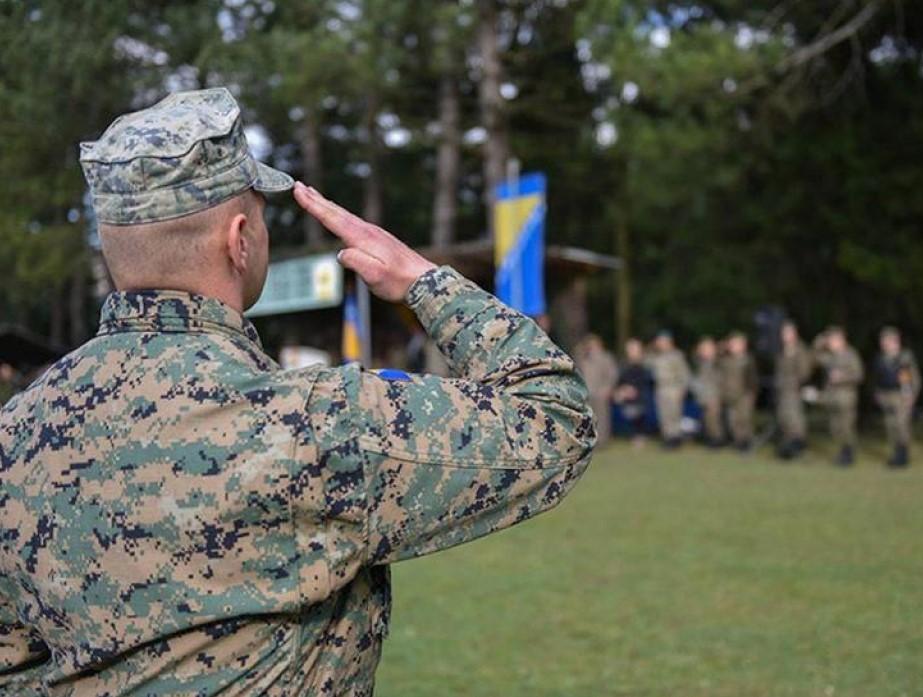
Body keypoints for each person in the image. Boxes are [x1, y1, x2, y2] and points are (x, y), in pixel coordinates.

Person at [0, 89, 595, 696]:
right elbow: (554, 418)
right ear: (239, 239)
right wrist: (424, 281)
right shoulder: (311, 419)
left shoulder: (13, 432)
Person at [813, 326, 864, 466]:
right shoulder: (829, 356)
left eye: (833, 340)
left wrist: (842, 377)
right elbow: (816, 358)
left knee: (847, 426)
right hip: (832, 396)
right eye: (829, 340)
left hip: (846, 396)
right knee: (834, 427)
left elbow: (859, 375)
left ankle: (849, 454)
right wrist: (818, 343)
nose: (830, 343)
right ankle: (843, 451)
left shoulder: (851, 354)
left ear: (841, 340)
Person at [873, 326, 921, 467]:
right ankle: (895, 453)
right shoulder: (881, 358)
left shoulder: (905, 357)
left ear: (895, 340)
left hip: (901, 395)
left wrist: (912, 394)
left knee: (901, 425)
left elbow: (914, 377)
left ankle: (903, 454)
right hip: (886, 395)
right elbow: (877, 379)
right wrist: (878, 394)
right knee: (890, 426)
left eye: (888, 340)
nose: (885, 343)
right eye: (883, 340)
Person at [774, 321, 813, 459]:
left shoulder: (800, 349)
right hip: (782, 389)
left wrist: (794, 381)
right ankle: (788, 446)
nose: (785, 335)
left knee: (794, 418)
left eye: (788, 332)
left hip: (793, 390)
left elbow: (805, 372)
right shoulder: (782, 350)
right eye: (783, 333)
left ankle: (798, 444)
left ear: (795, 334)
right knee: (783, 417)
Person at [646, 330, 691, 448]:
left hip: (673, 387)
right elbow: (646, 363)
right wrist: (650, 348)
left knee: (674, 414)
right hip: (660, 388)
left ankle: (675, 438)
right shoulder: (656, 356)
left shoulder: (676, 355)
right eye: (658, 341)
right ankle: (667, 437)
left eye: (662, 341)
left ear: (669, 342)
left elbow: (684, 374)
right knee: (663, 415)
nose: (660, 343)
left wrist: (682, 389)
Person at [575, 333, 619, 447]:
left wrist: (607, 389)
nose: (591, 347)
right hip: (586, 393)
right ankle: (589, 439)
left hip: (600, 392)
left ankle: (602, 440)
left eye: (594, 344)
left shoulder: (606, 357)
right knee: (588, 417)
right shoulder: (583, 358)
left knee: (602, 417)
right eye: (589, 345)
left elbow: (612, 375)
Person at [718, 331, 758, 451]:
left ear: (743, 345)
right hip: (729, 394)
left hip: (744, 394)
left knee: (744, 419)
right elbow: (713, 357)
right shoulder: (726, 359)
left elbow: (753, 379)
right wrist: (722, 346)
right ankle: (739, 441)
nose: (733, 346)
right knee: (733, 420)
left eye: (736, 344)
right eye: (732, 344)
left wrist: (752, 394)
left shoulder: (747, 360)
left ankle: (747, 441)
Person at [613, 338, 654, 446]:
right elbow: (619, 380)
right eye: (630, 349)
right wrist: (622, 390)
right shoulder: (624, 365)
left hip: (642, 396)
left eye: (634, 349)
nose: (631, 352)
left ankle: (640, 434)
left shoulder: (646, 364)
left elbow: (648, 380)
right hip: (627, 395)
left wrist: (633, 390)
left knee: (637, 410)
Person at [692, 336, 725, 447]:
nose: (705, 352)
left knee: (714, 419)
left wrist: (719, 348)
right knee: (707, 419)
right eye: (703, 349)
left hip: (714, 395)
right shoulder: (701, 363)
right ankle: (710, 438)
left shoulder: (718, 362)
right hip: (704, 396)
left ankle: (717, 439)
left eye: (708, 349)